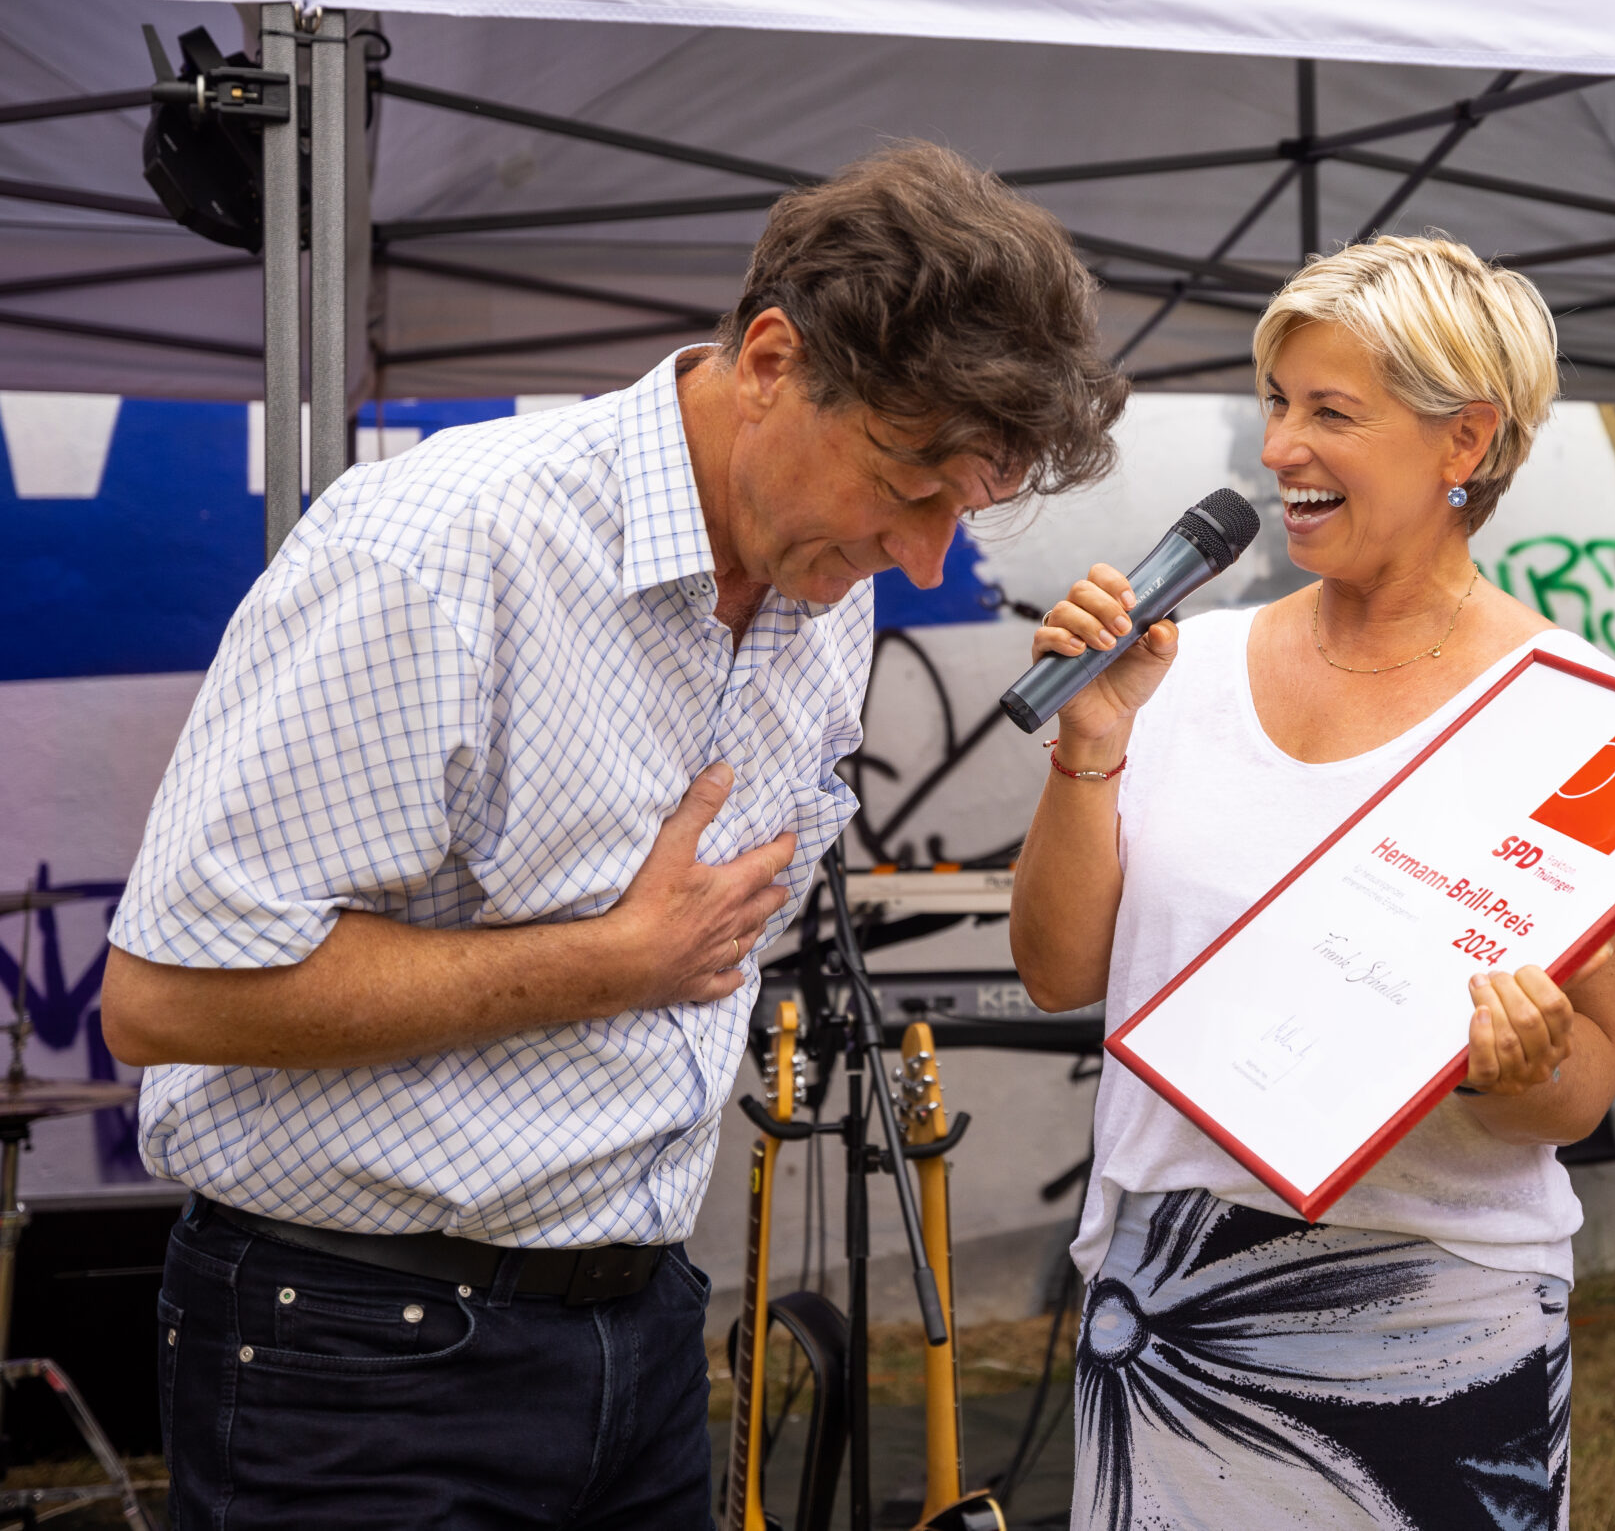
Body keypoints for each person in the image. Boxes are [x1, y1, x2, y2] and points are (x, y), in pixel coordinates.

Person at [99, 143, 1124, 1529]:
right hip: (354, 1351)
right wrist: (606, 963)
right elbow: (161, 1000)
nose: (927, 556)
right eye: (911, 482)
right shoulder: (434, 549)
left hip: (639, 1327)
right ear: (773, 358)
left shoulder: (827, 574)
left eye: (968, 510)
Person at [1011, 235, 1615, 1531]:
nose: (1280, 450)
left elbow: (1581, 1090)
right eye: (1279, 407)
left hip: (1437, 1321)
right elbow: (1058, 973)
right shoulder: (1174, 669)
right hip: (1170, 1306)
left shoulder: (1586, 715)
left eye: (1329, 413)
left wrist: (1518, 1061)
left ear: (1465, 442)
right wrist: (1089, 748)